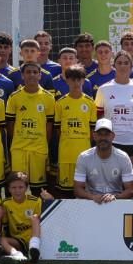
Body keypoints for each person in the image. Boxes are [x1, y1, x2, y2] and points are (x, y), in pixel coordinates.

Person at [95, 50, 133, 170]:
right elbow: (99, 116)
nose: (122, 66)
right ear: (114, 65)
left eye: (126, 63)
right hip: (112, 141)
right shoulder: (103, 89)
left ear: (131, 67)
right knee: (112, 179)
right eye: (119, 63)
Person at [6, 61, 56, 195]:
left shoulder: (48, 97)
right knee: (17, 186)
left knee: (38, 189)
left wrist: (43, 142)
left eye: (35, 72)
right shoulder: (14, 97)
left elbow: (49, 125)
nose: (32, 75)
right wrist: (17, 139)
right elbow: (10, 123)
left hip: (38, 149)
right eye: (28, 72)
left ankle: (39, 215)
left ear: (40, 75)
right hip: (19, 148)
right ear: (22, 75)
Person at [53, 66, 98, 194]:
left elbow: (92, 130)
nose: (76, 83)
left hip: (84, 153)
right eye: (73, 80)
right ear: (67, 81)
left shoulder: (90, 103)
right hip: (66, 154)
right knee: (66, 191)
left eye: (79, 80)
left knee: (83, 191)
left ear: (84, 81)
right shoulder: (60, 103)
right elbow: (58, 130)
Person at [74, 120, 133, 203]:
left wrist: (115, 197)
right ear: (94, 135)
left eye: (106, 134)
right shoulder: (84, 157)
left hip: (115, 201)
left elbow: (130, 189)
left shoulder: (123, 157)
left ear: (113, 136)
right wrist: (93, 197)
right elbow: (77, 189)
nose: (103, 138)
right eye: (100, 134)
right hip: (91, 201)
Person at [0, 172, 44, 262]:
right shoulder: (6, 203)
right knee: (2, 240)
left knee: (35, 217)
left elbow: (42, 222)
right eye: (13, 188)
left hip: (35, 237)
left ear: (26, 188)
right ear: (9, 189)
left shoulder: (36, 201)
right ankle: (17, 255)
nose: (17, 191)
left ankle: (33, 247)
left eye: (20, 187)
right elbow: (4, 224)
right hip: (19, 240)